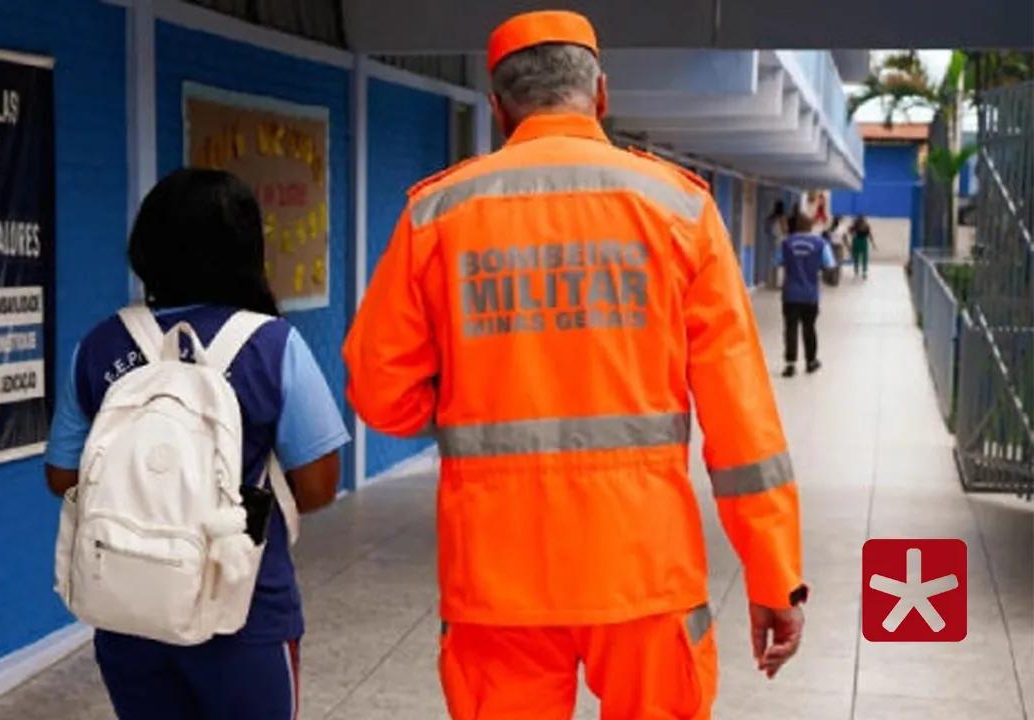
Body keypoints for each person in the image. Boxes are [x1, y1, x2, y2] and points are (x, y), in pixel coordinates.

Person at [343, 10, 806, 720]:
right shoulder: (678, 209)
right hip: (645, 573)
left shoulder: (436, 216)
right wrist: (775, 573)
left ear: (498, 107)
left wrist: (473, 384)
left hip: (497, 580)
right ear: (601, 95)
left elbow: (381, 396)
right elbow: (743, 423)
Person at [44, 168, 350, 720]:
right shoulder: (273, 345)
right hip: (245, 614)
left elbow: (63, 478)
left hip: (128, 612)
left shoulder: (99, 345)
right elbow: (319, 484)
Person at [777, 211, 837, 377]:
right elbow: (830, 264)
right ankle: (811, 362)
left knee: (790, 329)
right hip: (810, 294)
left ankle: (790, 364)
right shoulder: (821, 244)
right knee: (809, 328)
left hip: (790, 294)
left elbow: (778, 261)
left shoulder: (786, 243)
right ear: (810, 225)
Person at [849, 215, 875, 279]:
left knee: (858, 257)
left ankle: (859, 271)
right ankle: (861, 272)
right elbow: (870, 235)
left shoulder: (861, 225)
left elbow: (850, 231)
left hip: (858, 241)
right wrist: (873, 243)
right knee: (861, 257)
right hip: (861, 241)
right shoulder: (864, 225)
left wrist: (873, 243)